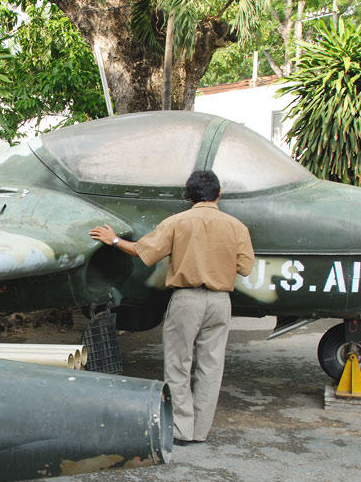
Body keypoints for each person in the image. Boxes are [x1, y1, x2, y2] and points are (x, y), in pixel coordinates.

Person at [89, 170, 254, 447]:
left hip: (187, 299)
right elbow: (245, 267)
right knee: (211, 365)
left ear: (188, 196)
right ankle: (201, 430)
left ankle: (181, 430)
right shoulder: (236, 226)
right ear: (219, 194)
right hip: (220, 301)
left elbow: (144, 252)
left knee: (178, 364)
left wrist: (114, 240)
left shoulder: (178, 222)